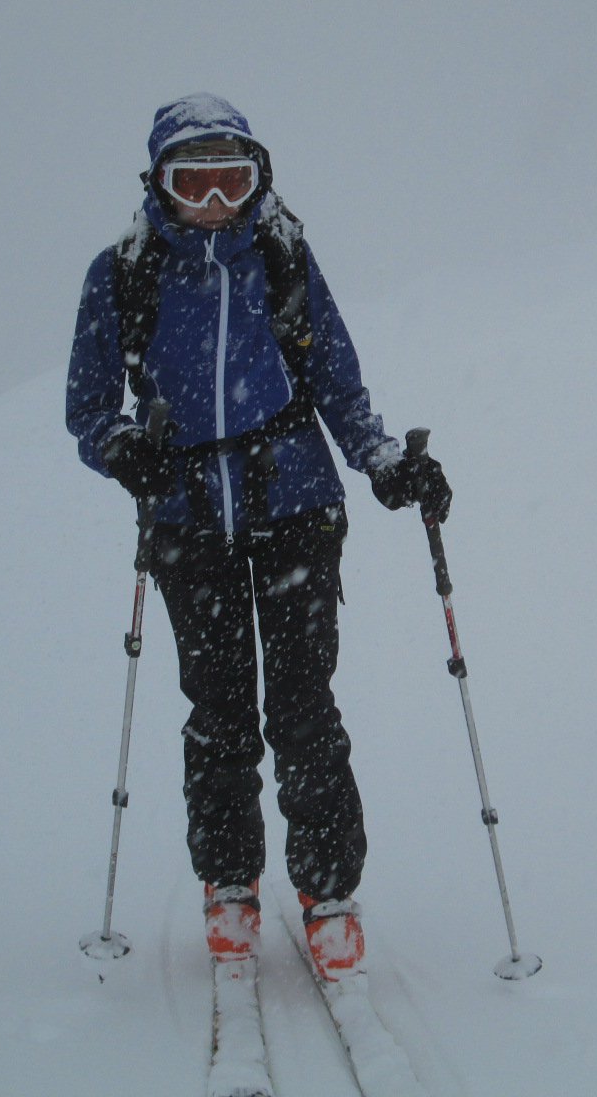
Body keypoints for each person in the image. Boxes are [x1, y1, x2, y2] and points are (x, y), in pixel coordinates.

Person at [66, 94, 450, 981]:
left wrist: (386, 463)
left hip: (297, 509)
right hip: (187, 520)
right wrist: (126, 453)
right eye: (190, 181)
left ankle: (326, 890)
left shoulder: (282, 259)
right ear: (159, 186)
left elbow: (338, 381)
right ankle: (230, 882)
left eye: (229, 179)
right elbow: (90, 407)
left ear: (257, 179)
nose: (212, 201)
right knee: (220, 709)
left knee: (306, 708)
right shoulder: (122, 272)